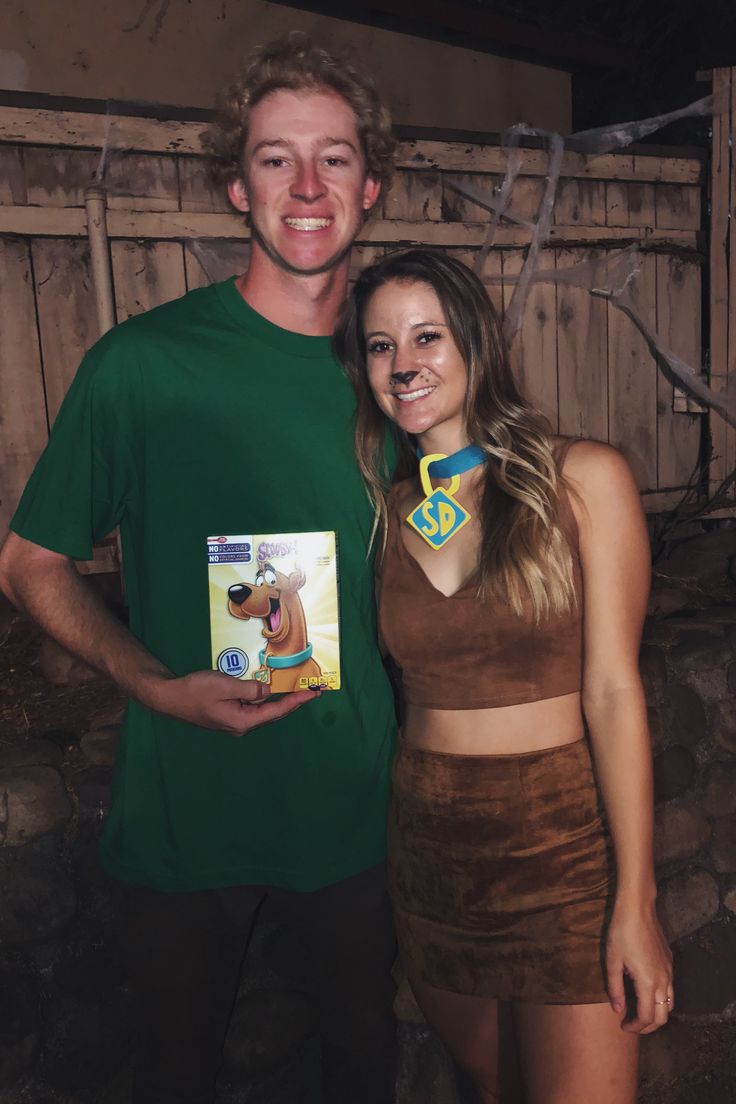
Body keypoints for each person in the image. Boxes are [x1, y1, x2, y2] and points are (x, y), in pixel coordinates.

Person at [0, 33, 399, 1104]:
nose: (307, 187)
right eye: (276, 159)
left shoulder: (402, 373)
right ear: (237, 185)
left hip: (356, 811)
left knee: (364, 1071)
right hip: (184, 814)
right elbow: (30, 563)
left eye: (332, 157)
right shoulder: (142, 364)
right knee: (174, 1076)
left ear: (372, 183)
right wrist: (149, 683)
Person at [334, 248, 673, 1104]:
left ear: (478, 343)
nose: (402, 365)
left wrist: (636, 902)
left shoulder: (584, 477)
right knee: (490, 1087)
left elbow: (614, 694)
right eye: (380, 347)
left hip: (559, 841)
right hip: (432, 843)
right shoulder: (388, 511)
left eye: (426, 337)